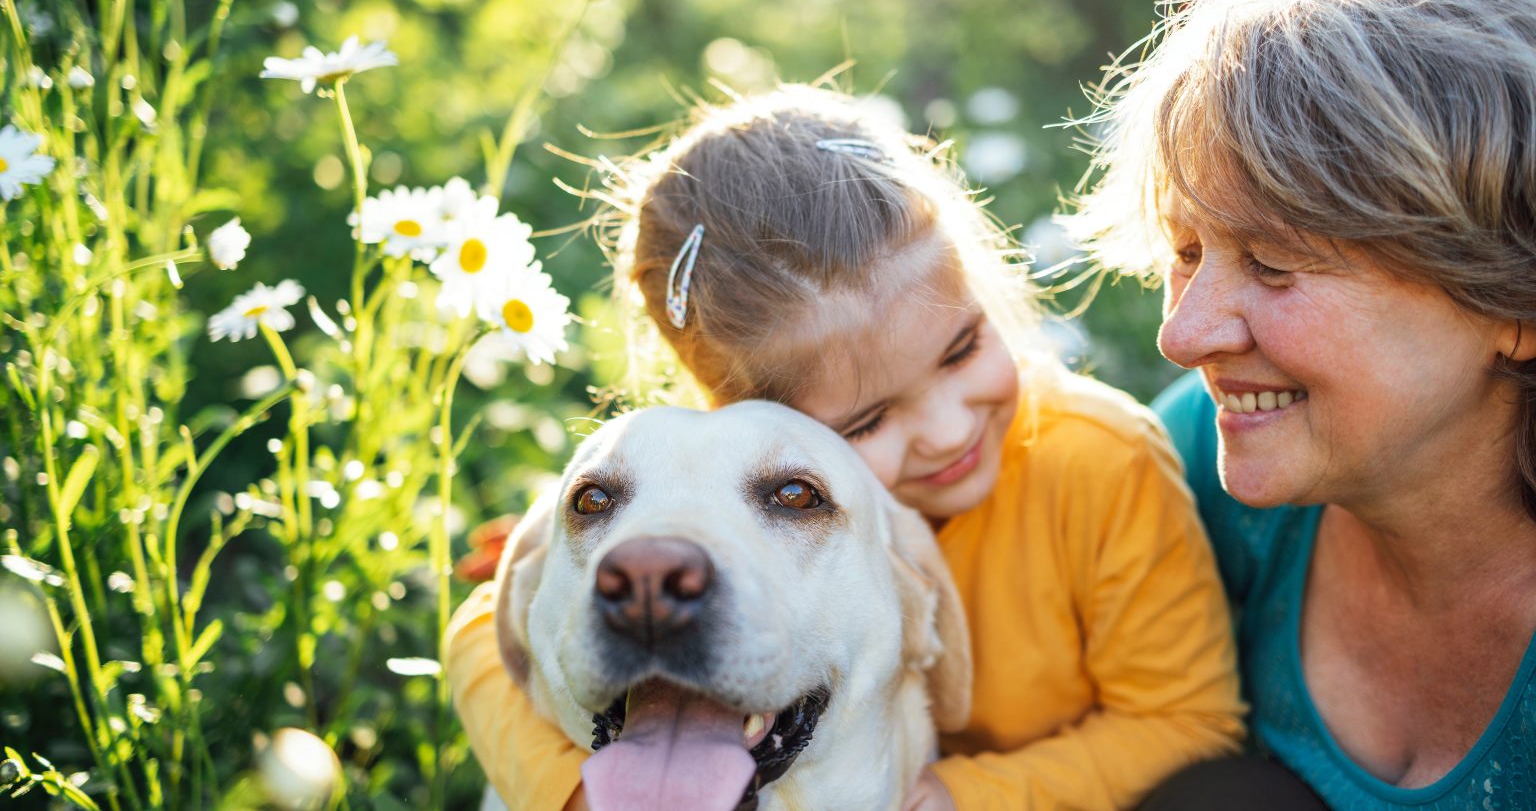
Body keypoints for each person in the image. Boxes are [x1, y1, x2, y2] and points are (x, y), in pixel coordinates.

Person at [445, 85, 1246, 811]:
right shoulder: (701, 478)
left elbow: (1188, 719)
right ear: (744, 412)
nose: (946, 429)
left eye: (962, 347)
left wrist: (969, 795)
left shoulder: (1096, 459)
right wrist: (563, 789)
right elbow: (486, 626)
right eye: (864, 422)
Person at [1065, 0, 1536, 808]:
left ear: (1516, 305)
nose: (1183, 334)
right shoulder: (1191, 462)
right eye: (1186, 253)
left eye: (1273, 262)